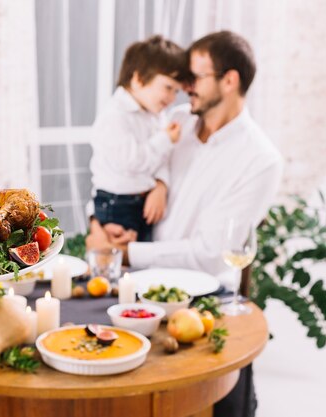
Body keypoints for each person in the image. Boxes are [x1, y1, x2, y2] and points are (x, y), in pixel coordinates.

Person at [87, 31, 284, 416]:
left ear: (229, 81)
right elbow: (118, 169)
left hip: (203, 304)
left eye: (195, 77)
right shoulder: (175, 120)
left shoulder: (260, 160)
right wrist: (100, 219)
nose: (184, 86)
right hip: (138, 288)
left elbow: (212, 255)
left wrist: (128, 252)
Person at [89, 35, 187, 243]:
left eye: (177, 91)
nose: (172, 98)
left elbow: (162, 160)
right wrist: (165, 139)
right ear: (138, 79)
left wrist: (161, 185)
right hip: (116, 204)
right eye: (168, 87)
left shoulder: (154, 115)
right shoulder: (115, 116)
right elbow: (131, 162)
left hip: (142, 202)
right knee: (117, 261)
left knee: (140, 263)